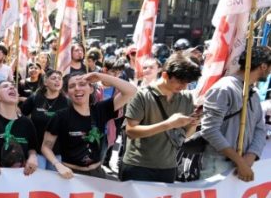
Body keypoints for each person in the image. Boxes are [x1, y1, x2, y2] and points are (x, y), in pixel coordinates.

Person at [121, 54, 202, 183]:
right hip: (138, 166)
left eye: (187, 83)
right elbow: (131, 131)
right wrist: (168, 124)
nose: (184, 86)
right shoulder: (141, 95)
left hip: (168, 167)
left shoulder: (186, 98)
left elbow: (185, 136)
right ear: (165, 75)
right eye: (181, 81)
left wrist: (194, 122)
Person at [42, 72, 137, 179]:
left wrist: (100, 76)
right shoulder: (60, 117)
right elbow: (46, 147)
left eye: (82, 84)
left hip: (97, 174)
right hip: (70, 174)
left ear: (91, 89)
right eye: (72, 86)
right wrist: (57, 164)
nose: (77, 88)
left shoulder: (101, 109)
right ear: (67, 93)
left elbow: (131, 91)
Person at [200, 47, 270, 181]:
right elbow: (209, 130)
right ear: (263, 66)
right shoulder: (224, 88)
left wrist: (250, 156)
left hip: (244, 166)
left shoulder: (253, 93)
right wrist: (240, 161)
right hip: (218, 165)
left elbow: (260, 129)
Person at [21, 70, 68, 169]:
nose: (57, 80)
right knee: (37, 182)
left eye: (60, 79)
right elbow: (21, 115)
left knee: (54, 182)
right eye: (53, 78)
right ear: (45, 82)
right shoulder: (35, 98)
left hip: (57, 152)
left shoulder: (67, 102)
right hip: (36, 151)